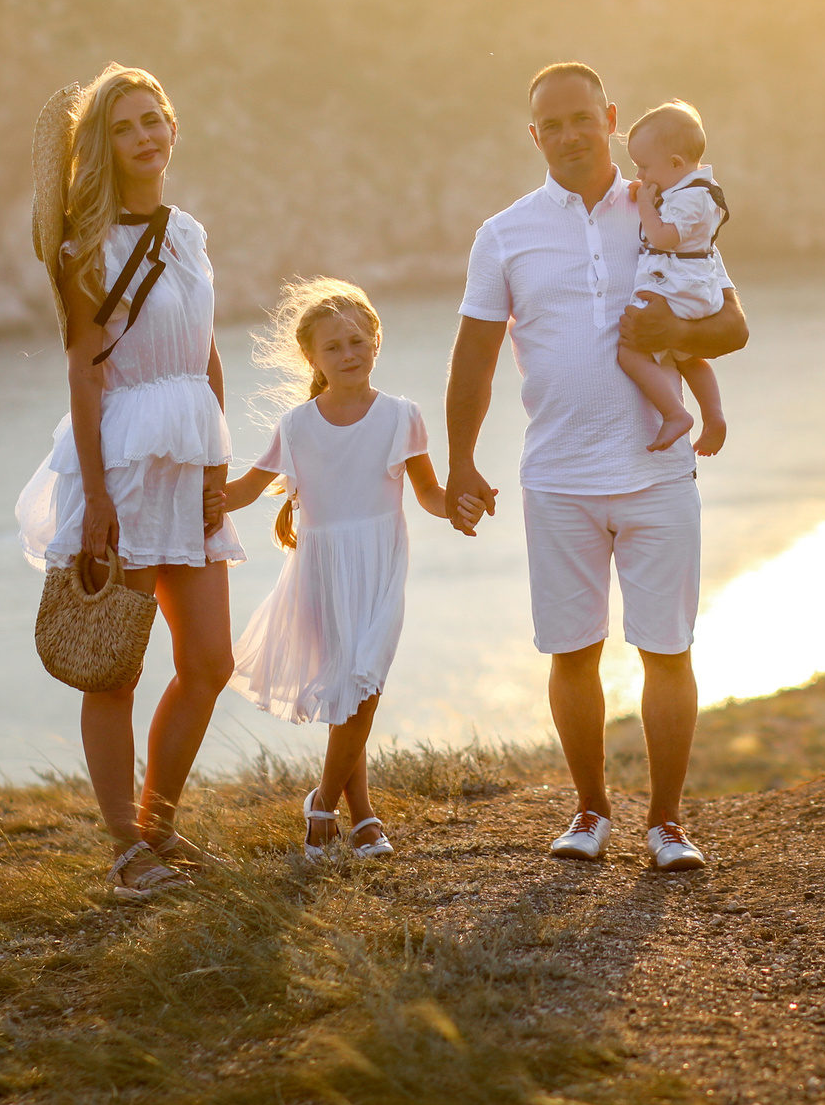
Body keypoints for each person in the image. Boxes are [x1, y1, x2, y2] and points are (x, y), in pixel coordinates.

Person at [445, 62, 750, 872]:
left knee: (668, 650)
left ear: (610, 118)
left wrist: (670, 333)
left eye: (583, 117)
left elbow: (732, 326)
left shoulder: (668, 206)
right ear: (534, 135)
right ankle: (590, 811)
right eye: (552, 124)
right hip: (557, 478)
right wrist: (461, 462)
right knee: (572, 650)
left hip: (659, 474)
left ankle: (668, 823)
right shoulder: (504, 233)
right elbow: (474, 358)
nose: (570, 134)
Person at [15, 62, 239, 900]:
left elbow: (207, 353)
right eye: (123, 126)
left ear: (173, 129)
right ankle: (125, 852)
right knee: (114, 666)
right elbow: (83, 374)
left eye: (153, 119)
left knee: (210, 660)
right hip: (125, 463)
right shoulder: (85, 248)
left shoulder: (189, 234)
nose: (144, 136)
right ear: (102, 147)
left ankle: (160, 825)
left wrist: (218, 465)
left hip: (189, 459)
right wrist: (99, 500)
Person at [220, 279, 462, 862]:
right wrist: (177, 486)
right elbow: (242, 491)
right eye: (333, 347)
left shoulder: (402, 416)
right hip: (322, 573)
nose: (348, 354)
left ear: (376, 341)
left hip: (380, 568)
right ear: (312, 357)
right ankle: (360, 820)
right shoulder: (297, 425)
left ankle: (323, 807)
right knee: (349, 695)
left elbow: (429, 494)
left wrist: (459, 504)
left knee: (364, 686)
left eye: (357, 341)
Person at [617, 100, 730, 456]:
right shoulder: (698, 190)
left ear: (676, 164)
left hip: (678, 286)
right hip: (698, 288)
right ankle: (714, 417)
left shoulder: (689, 199)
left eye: (644, 167)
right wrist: (652, 195)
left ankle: (674, 413)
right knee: (689, 358)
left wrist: (645, 206)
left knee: (630, 353)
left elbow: (664, 237)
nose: (639, 175)